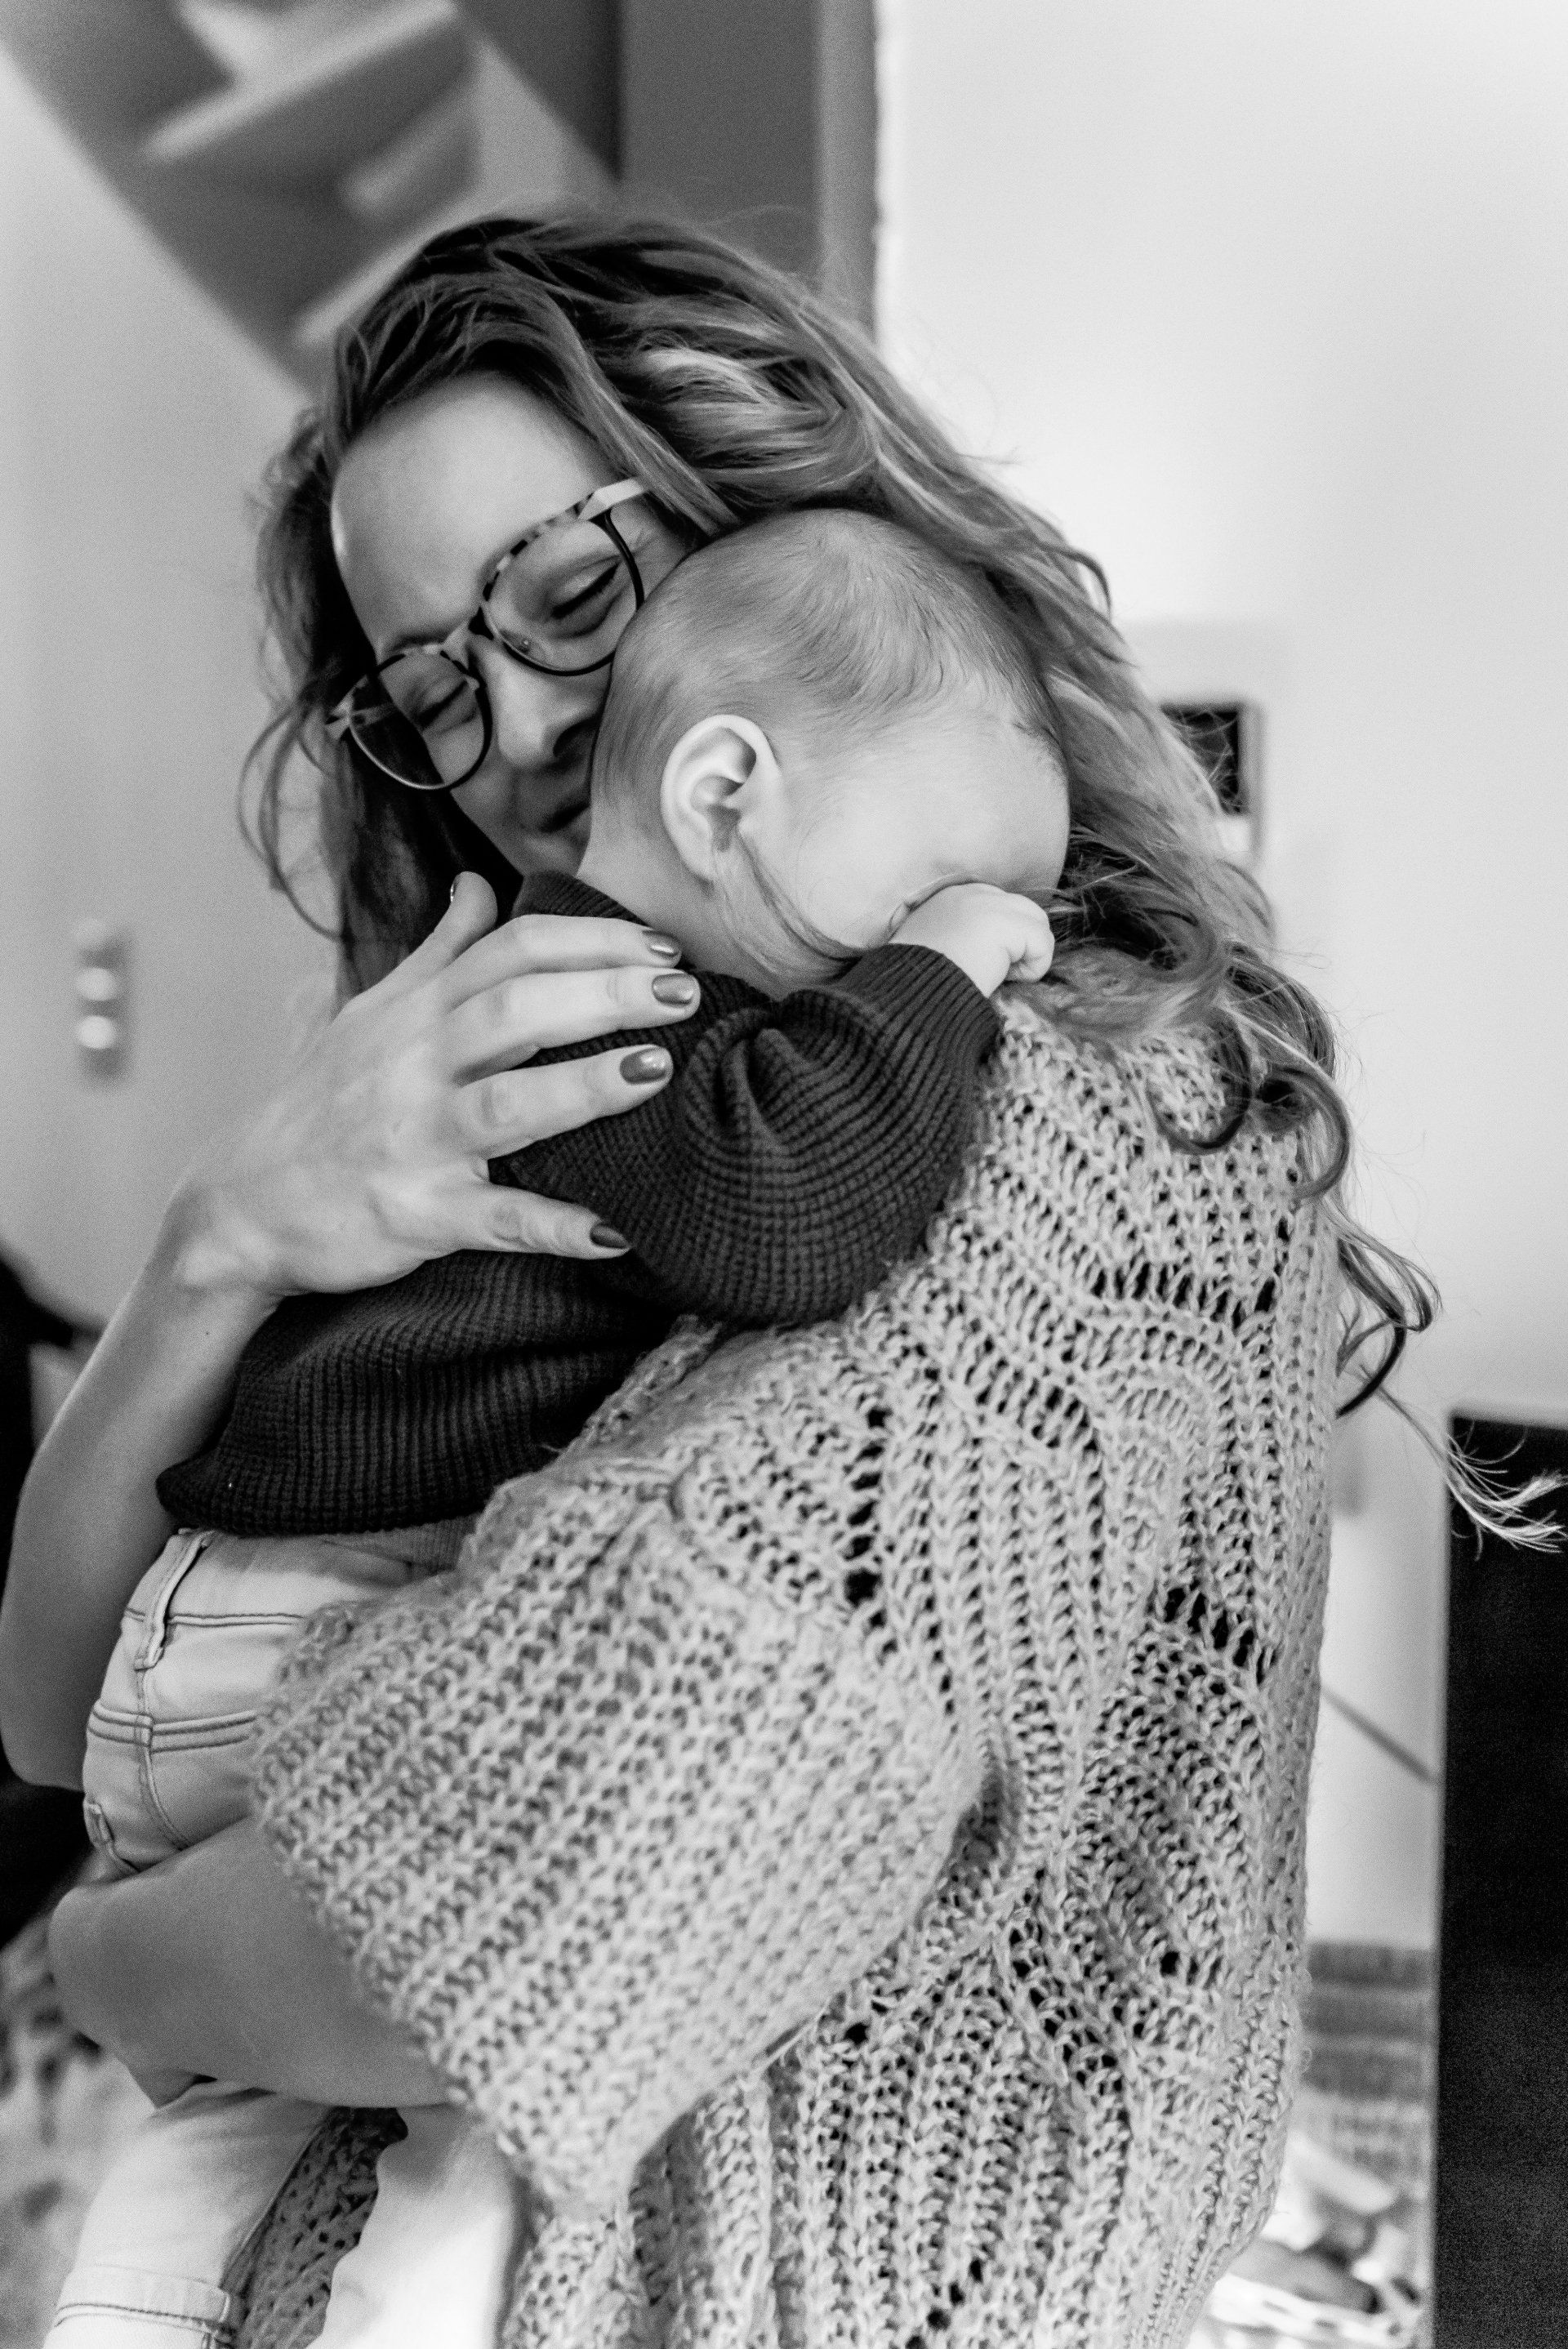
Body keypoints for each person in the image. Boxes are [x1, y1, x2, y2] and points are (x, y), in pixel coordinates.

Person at [0, 215, 1432, 2349]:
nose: (520, 725)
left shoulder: (1025, 1105)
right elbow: (56, 1710)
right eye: (433, 686)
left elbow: (496, 1930)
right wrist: (222, 1239)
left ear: (772, 513)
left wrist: (98, 1956)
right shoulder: (560, 1077)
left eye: (570, 593)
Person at [51, 510, 1060, 2349]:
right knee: (490, 2141)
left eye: (577, 596)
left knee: (221, 2140)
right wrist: (945, 969)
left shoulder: (543, 983)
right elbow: (788, 1218)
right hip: (305, 1625)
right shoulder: (611, 1000)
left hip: (219, 1623)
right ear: (725, 787)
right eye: (930, 887)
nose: (525, 724)